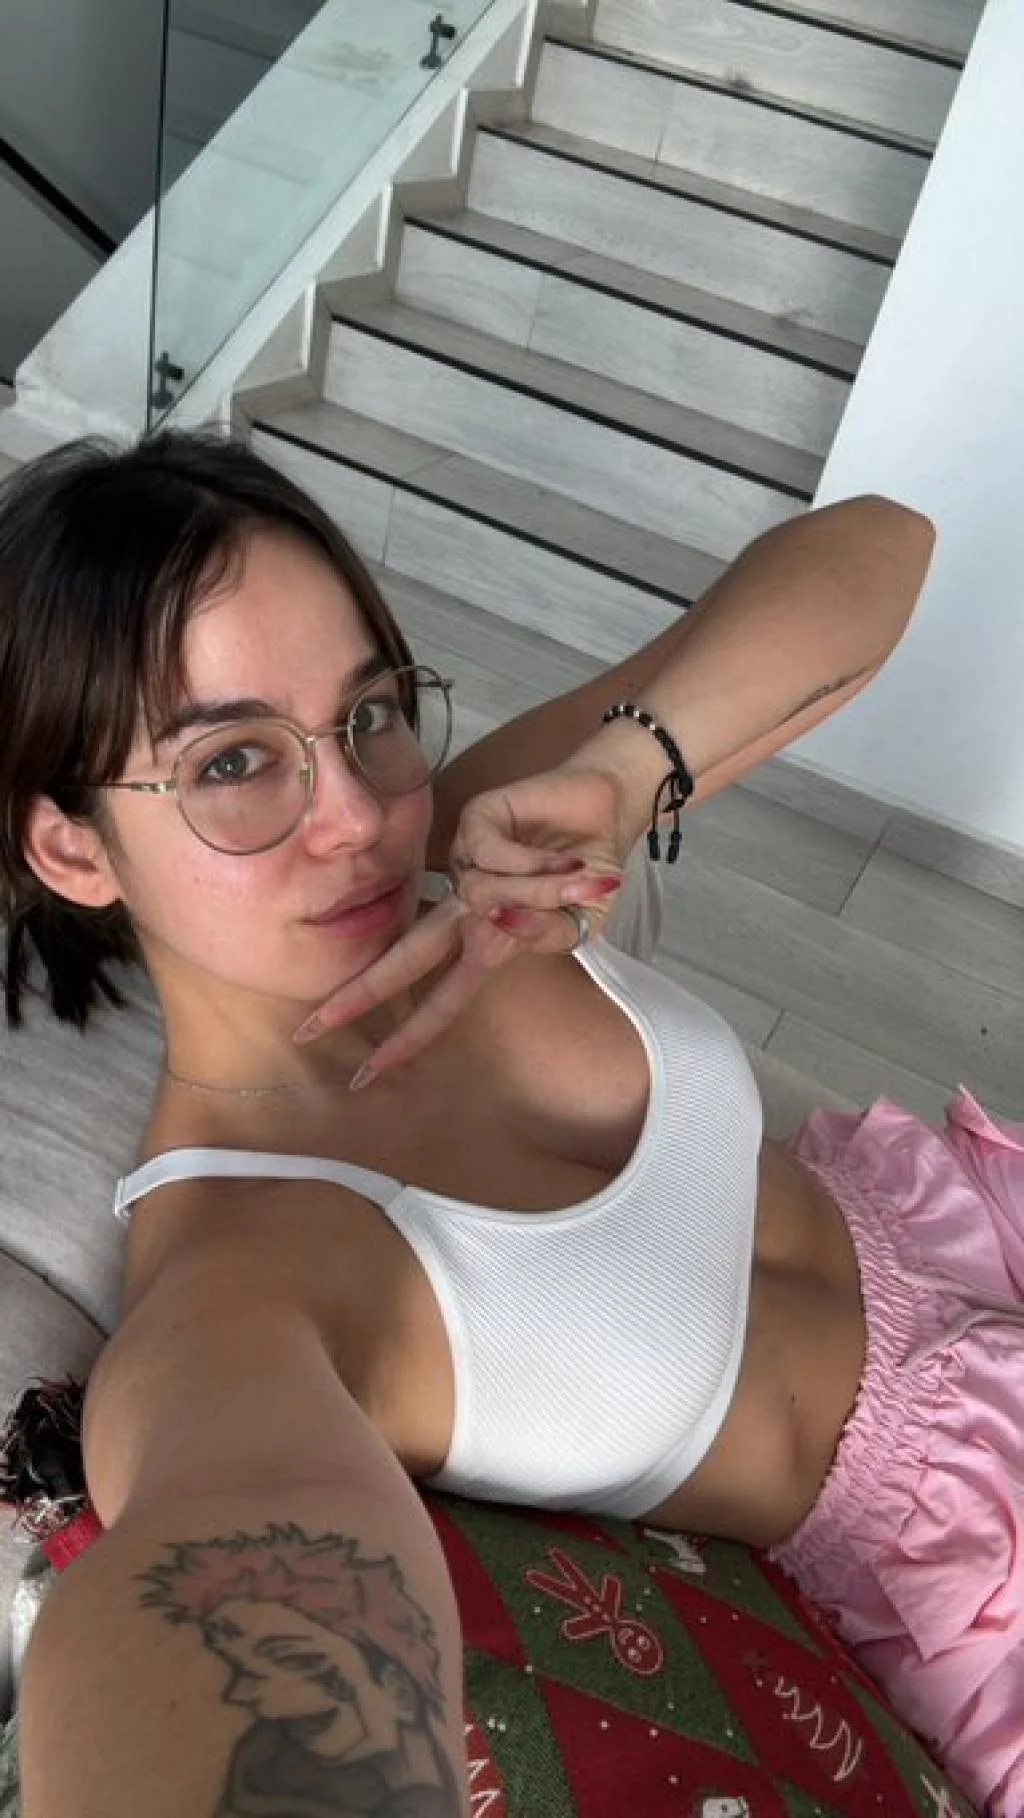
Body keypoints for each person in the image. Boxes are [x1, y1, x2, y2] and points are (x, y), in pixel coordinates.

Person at [0, 431, 1018, 1817]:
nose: (356, 816)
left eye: (368, 712)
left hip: (970, 1217)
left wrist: (624, 771)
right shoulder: (238, 1283)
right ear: (71, 845)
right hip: (974, 1581)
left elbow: (883, 547)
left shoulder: (459, 855)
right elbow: (212, 1593)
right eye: (235, 761)